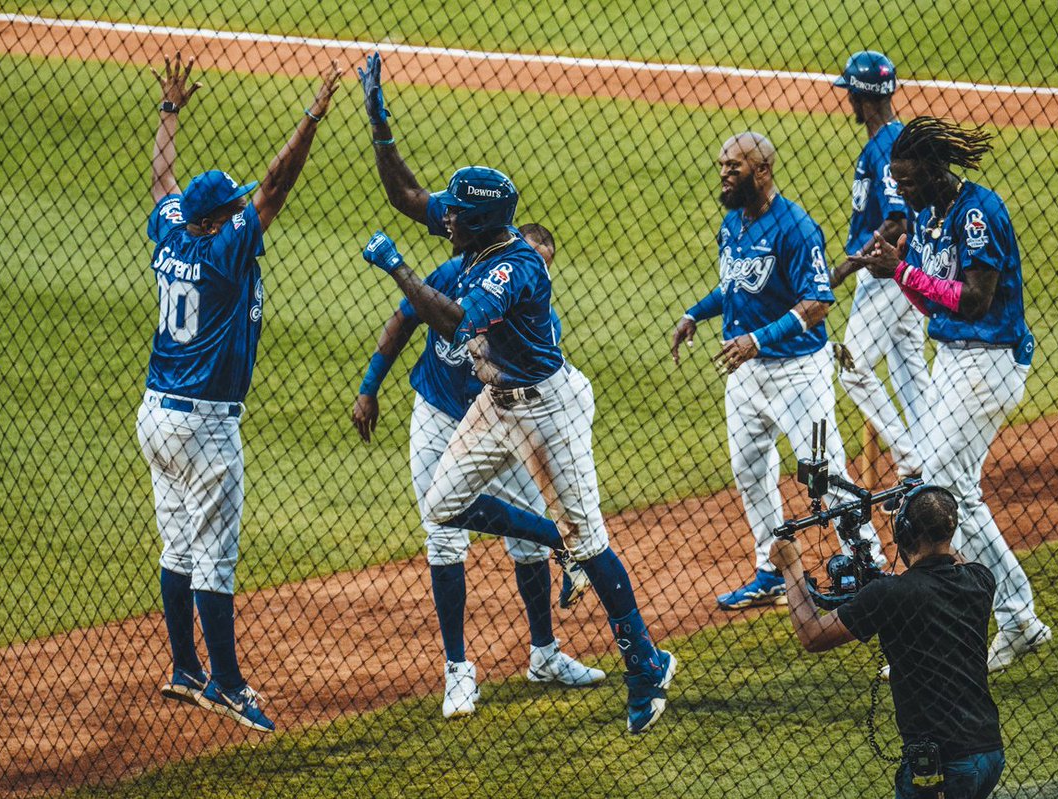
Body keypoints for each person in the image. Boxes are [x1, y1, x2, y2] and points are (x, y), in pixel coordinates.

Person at [356, 51, 675, 735]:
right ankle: (551, 537)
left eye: (454, 216)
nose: (444, 219)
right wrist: (378, 120)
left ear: (480, 222)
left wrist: (397, 267)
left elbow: (450, 318)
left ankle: (644, 661)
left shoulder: (515, 269)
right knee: (442, 504)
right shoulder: (476, 229)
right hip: (494, 404)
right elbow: (407, 197)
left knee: (591, 540)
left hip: (546, 410)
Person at [135, 54, 343, 733]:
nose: (237, 214)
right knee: (214, 557)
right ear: (214, 220)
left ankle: (183, 666)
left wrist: (170, 113)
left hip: (156, 415)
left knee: (176, 547)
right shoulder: (225, 253)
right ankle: (225, 681)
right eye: (229, 208)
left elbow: (164, 179)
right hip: (204, 428)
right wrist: (311, 117)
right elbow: (276, 187)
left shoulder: (172, 229)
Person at [351, 223, 604, 720]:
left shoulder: (539, 320)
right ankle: (458, 671)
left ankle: (545, 654)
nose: (535, 274)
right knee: (442, 534)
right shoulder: (453, 274)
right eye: (531, 259)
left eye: (545, 267)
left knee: (526, 543)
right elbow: (404, 321)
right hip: (440, 415)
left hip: (502, 420)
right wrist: (368, 386)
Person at [848, 116, 1050, 672]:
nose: (902, 191)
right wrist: (899, 276)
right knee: (957, 489)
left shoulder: (977, 212)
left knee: (931, 487)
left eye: (909, 180)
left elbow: (977, 300)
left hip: (989, 361)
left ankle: (935, 633)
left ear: (936, 170)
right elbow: (934, 306)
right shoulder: (926, 215)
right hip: (954, 361)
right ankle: (1019, 618)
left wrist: (905, 274)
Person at [671, 131, 886, 611]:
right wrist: (693, 314)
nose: (724, 174)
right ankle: (772, 569)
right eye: (722, 165)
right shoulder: (734, 224)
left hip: (797, 375)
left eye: (734, 167)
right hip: (745, 374)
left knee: (825, 474)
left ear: (762, 171)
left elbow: (818, 304)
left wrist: (758, 340)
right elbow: (735, 286)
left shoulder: (796, 228)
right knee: (749, 471)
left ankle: (869, 566)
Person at [770, 486, 1006, 799]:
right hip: (989, 752)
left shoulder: (890, 596)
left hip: (942, 767)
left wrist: (790, 567)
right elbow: (947, 567)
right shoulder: (979, 580)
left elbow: (812, 634)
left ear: (904, 536)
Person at [830, 51, 929, 479]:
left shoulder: (886, 144)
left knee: (852, 367)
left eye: (850, 92)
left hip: (888, 274)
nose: (847, 100)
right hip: (909, 273)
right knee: (911, 373)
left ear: (862, 96)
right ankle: (934, 464)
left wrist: (843, 270)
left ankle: (912, 463)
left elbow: (896, 219)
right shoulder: (895, 138)